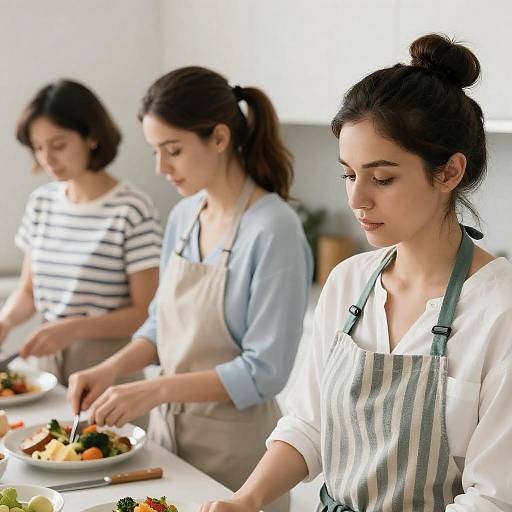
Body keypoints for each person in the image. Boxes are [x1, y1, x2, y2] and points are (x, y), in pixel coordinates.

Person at [199, 34, 512, 512]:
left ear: (449, 173)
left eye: (382, 178)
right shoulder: (349, 282)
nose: (356, 198)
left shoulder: (499, 311)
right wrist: (247, 499)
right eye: (349, 174)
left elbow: (492, 498)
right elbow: (310, 426)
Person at [67, 67, 313, 512]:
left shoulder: (273, 229)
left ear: (219, 138)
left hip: (239, 458)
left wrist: (155, 390)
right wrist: (110, 369)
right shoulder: (183, 217)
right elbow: (161, 322)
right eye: (156, 151)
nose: (161, 168)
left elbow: (265, 371)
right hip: (168, 442)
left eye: (173, 150)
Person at [0, 80, 162, 386]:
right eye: (38, 147)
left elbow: (145, 313)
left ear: (92, 136)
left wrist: (73, 328)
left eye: (58, 145)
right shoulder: (42, 203)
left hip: (109, 368)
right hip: (46, 366)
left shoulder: (132, 209)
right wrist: (5, 321)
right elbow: (29, 292)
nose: (47, 158)